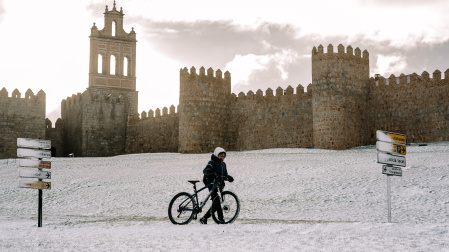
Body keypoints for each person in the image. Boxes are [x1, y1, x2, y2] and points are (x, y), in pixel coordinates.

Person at [199, 147, 234, 224]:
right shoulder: (212, 162)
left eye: (223, 156)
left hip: (219, 184)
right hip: (211, 183)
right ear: (216, 155)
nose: (222, 158)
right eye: (220, 156)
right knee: (217, 201)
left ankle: (206, 218)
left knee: (217, 201)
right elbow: (206, 169)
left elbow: (224, 175)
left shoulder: (223, 164)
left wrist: (228, 177)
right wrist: (209, 170)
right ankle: (219, 219)